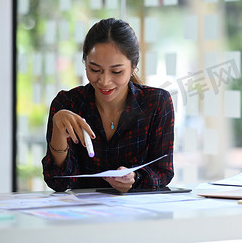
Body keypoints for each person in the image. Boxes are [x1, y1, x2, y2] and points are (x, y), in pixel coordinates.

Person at [42, 18, 174, 192]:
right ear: (85, 63)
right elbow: (57, 182)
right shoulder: (67, 104)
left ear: (134, 66)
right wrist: (58, 130)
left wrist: (135, 177)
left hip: (138, 213)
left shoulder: (156, 102)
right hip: (83, 213)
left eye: (116, 71)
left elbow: (163, 172)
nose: (104, 81)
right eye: (95, 69)